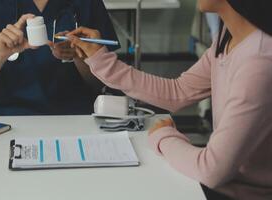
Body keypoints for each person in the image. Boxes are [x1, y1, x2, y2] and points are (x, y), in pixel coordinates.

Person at [67, 0, 272, 199]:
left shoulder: (259, 62)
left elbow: (211, 170)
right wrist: (99, 58)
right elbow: (178, 92)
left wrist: (165, 135)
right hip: (226, 185)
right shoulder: (228, 38)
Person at [0, 0, 119, 115]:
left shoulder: (86, 3)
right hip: (7, 121)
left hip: (74, 118)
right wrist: (0, 54)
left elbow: (101, 83)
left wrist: (79, 57)